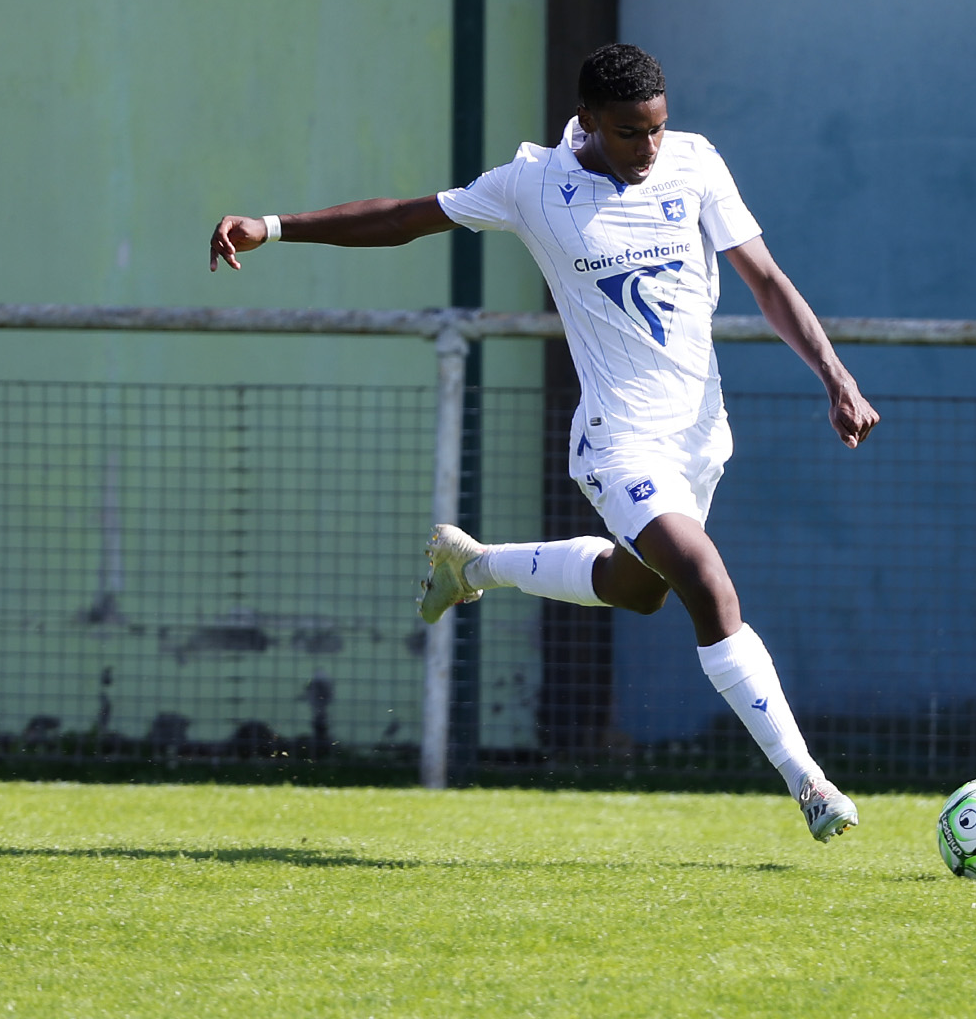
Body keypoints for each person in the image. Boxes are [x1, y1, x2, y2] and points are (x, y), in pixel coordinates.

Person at [209, 44, 879, 841]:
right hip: (617, 443)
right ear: (589, 122)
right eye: (632, 133)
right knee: (706, 582)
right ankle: (811, 785)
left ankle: (474, 565)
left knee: (642, 590)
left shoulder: (696, 165)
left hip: (701, 439)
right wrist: (276, 228)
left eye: (659, 129)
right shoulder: (532, 185)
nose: (649, 148)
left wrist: (835, 375)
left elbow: (765, 279)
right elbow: (404, 218)